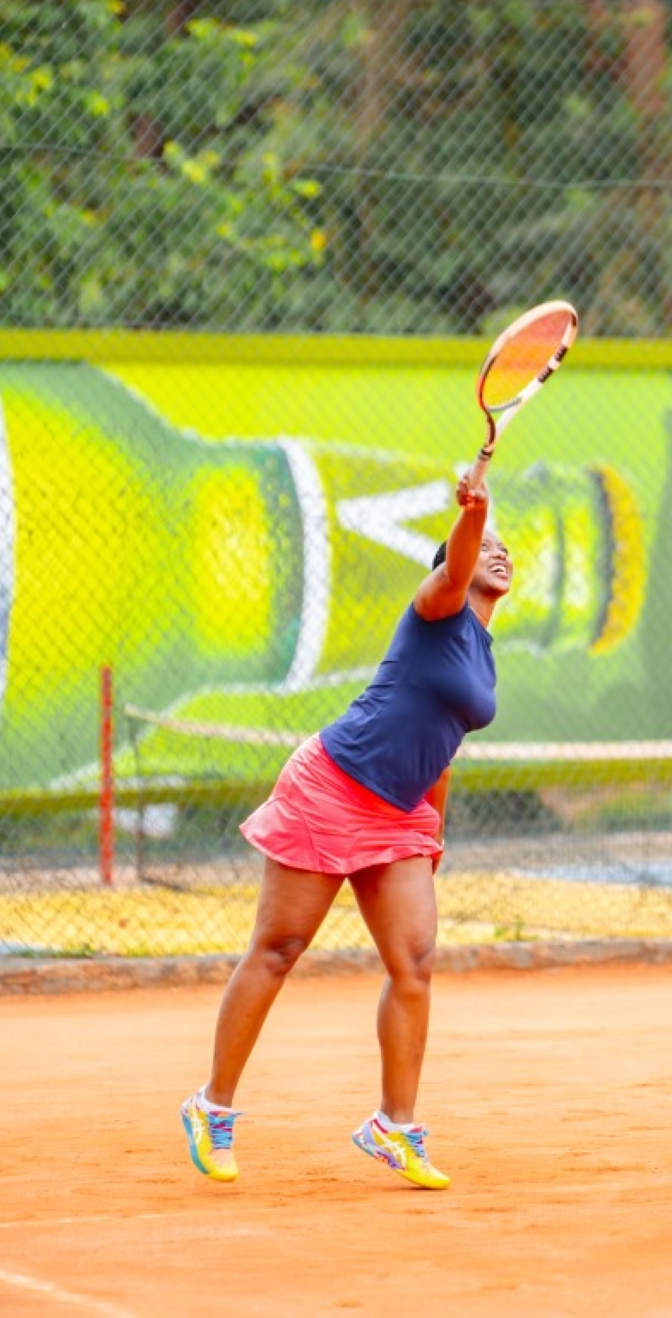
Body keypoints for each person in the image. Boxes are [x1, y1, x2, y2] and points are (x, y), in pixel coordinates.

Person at [180, 470, 511, 1191]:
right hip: (332, 784)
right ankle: (212, 1107)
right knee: (279, 948)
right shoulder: (436, 610)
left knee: (415, 963)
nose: (499, 552)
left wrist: (433, 830)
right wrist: (475, 512)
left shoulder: (483, 656)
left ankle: (394, 1125)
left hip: (401, 812)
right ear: (452, 566)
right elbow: (457, 562)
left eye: (504, 547)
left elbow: (443, 745)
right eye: (487, 545)